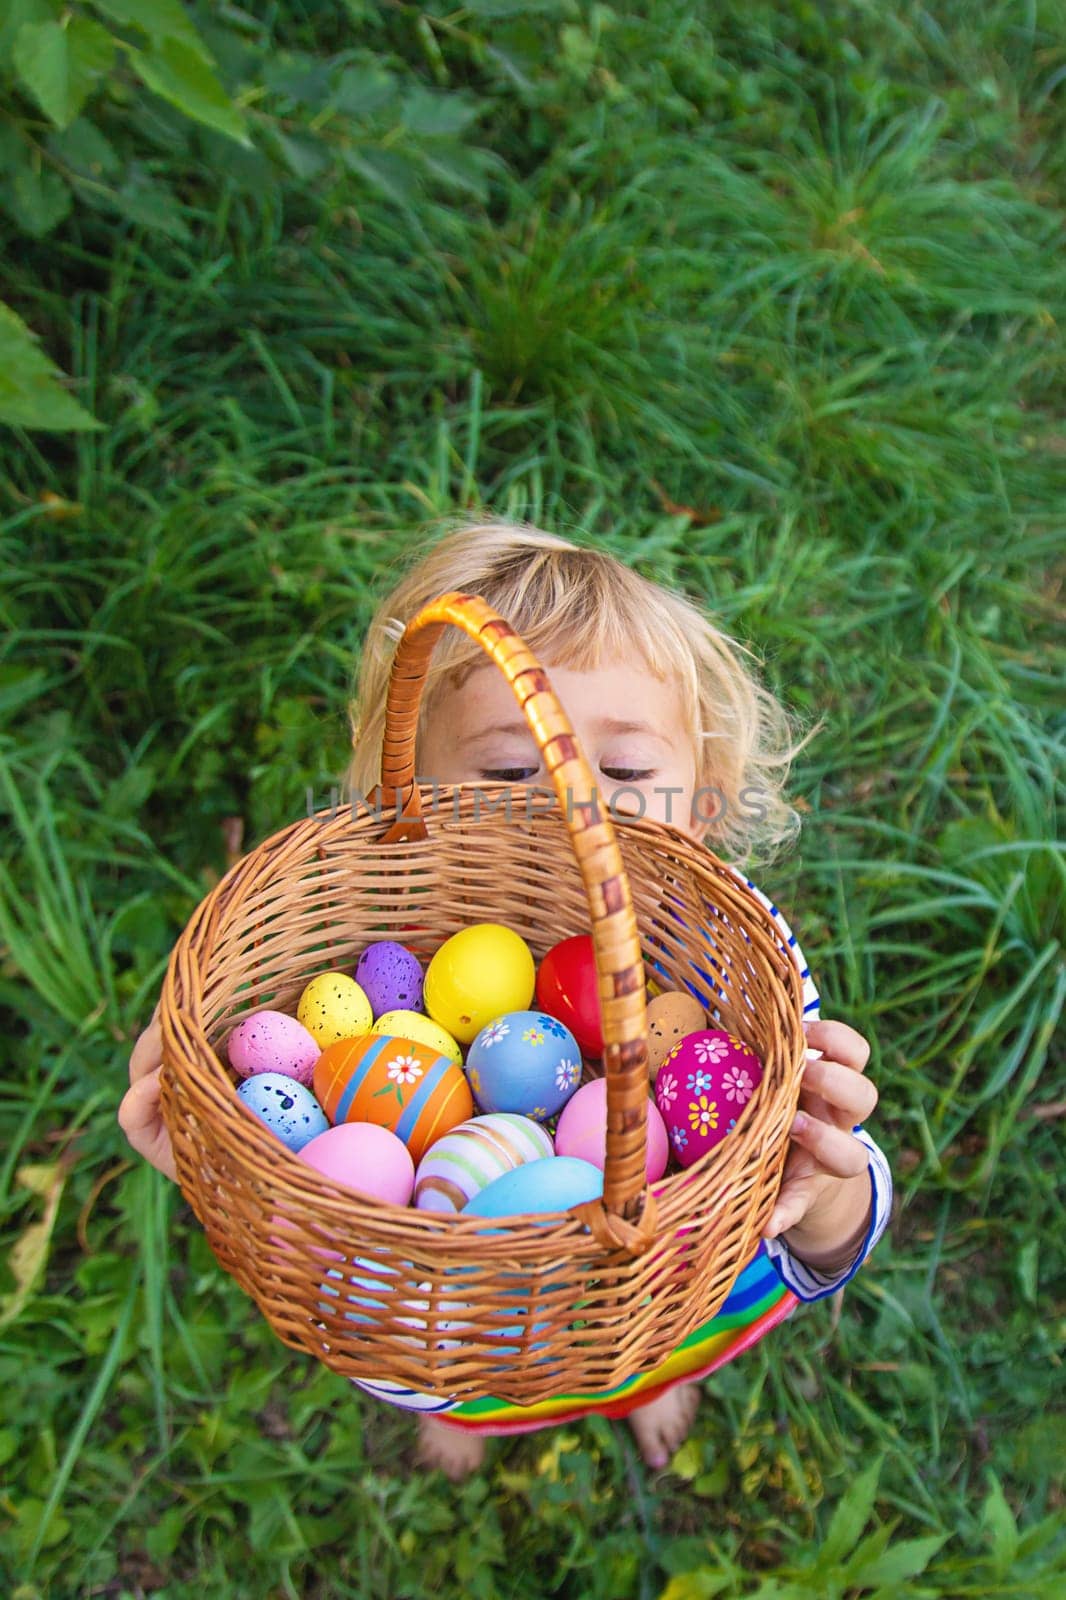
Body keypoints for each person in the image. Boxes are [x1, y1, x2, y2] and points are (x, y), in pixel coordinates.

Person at [120, 517, 892, 1481]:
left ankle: (652, 1383)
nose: (575, 806)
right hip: (450, 1324)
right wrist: (232, 1172)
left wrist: (831, 1190)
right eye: (510, 769)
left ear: (706, 798)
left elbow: (825, 1239)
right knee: (453, 1379)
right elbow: (363, 1233)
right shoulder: (406, 963)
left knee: (652, 1351)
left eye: (625, 771)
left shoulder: (740, 976)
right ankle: (463, 1410)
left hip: (674, 1289)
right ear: (408, 787)